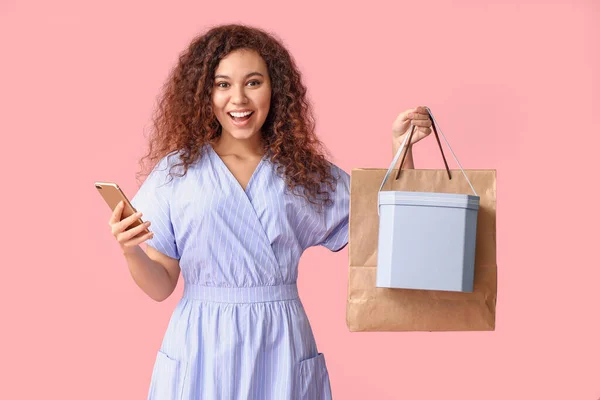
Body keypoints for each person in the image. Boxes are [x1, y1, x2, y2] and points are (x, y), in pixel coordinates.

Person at [107, 24, 433, 400]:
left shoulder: (302, 170)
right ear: (204, 93)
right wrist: (129, 249)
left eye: (253, 82)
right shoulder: (177, 171)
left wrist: (401, 148)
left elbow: (383, 225)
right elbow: (162, 285)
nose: (239, 99)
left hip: (280, 339)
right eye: (223, 84)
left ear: (275, 88)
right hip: (200, 341)